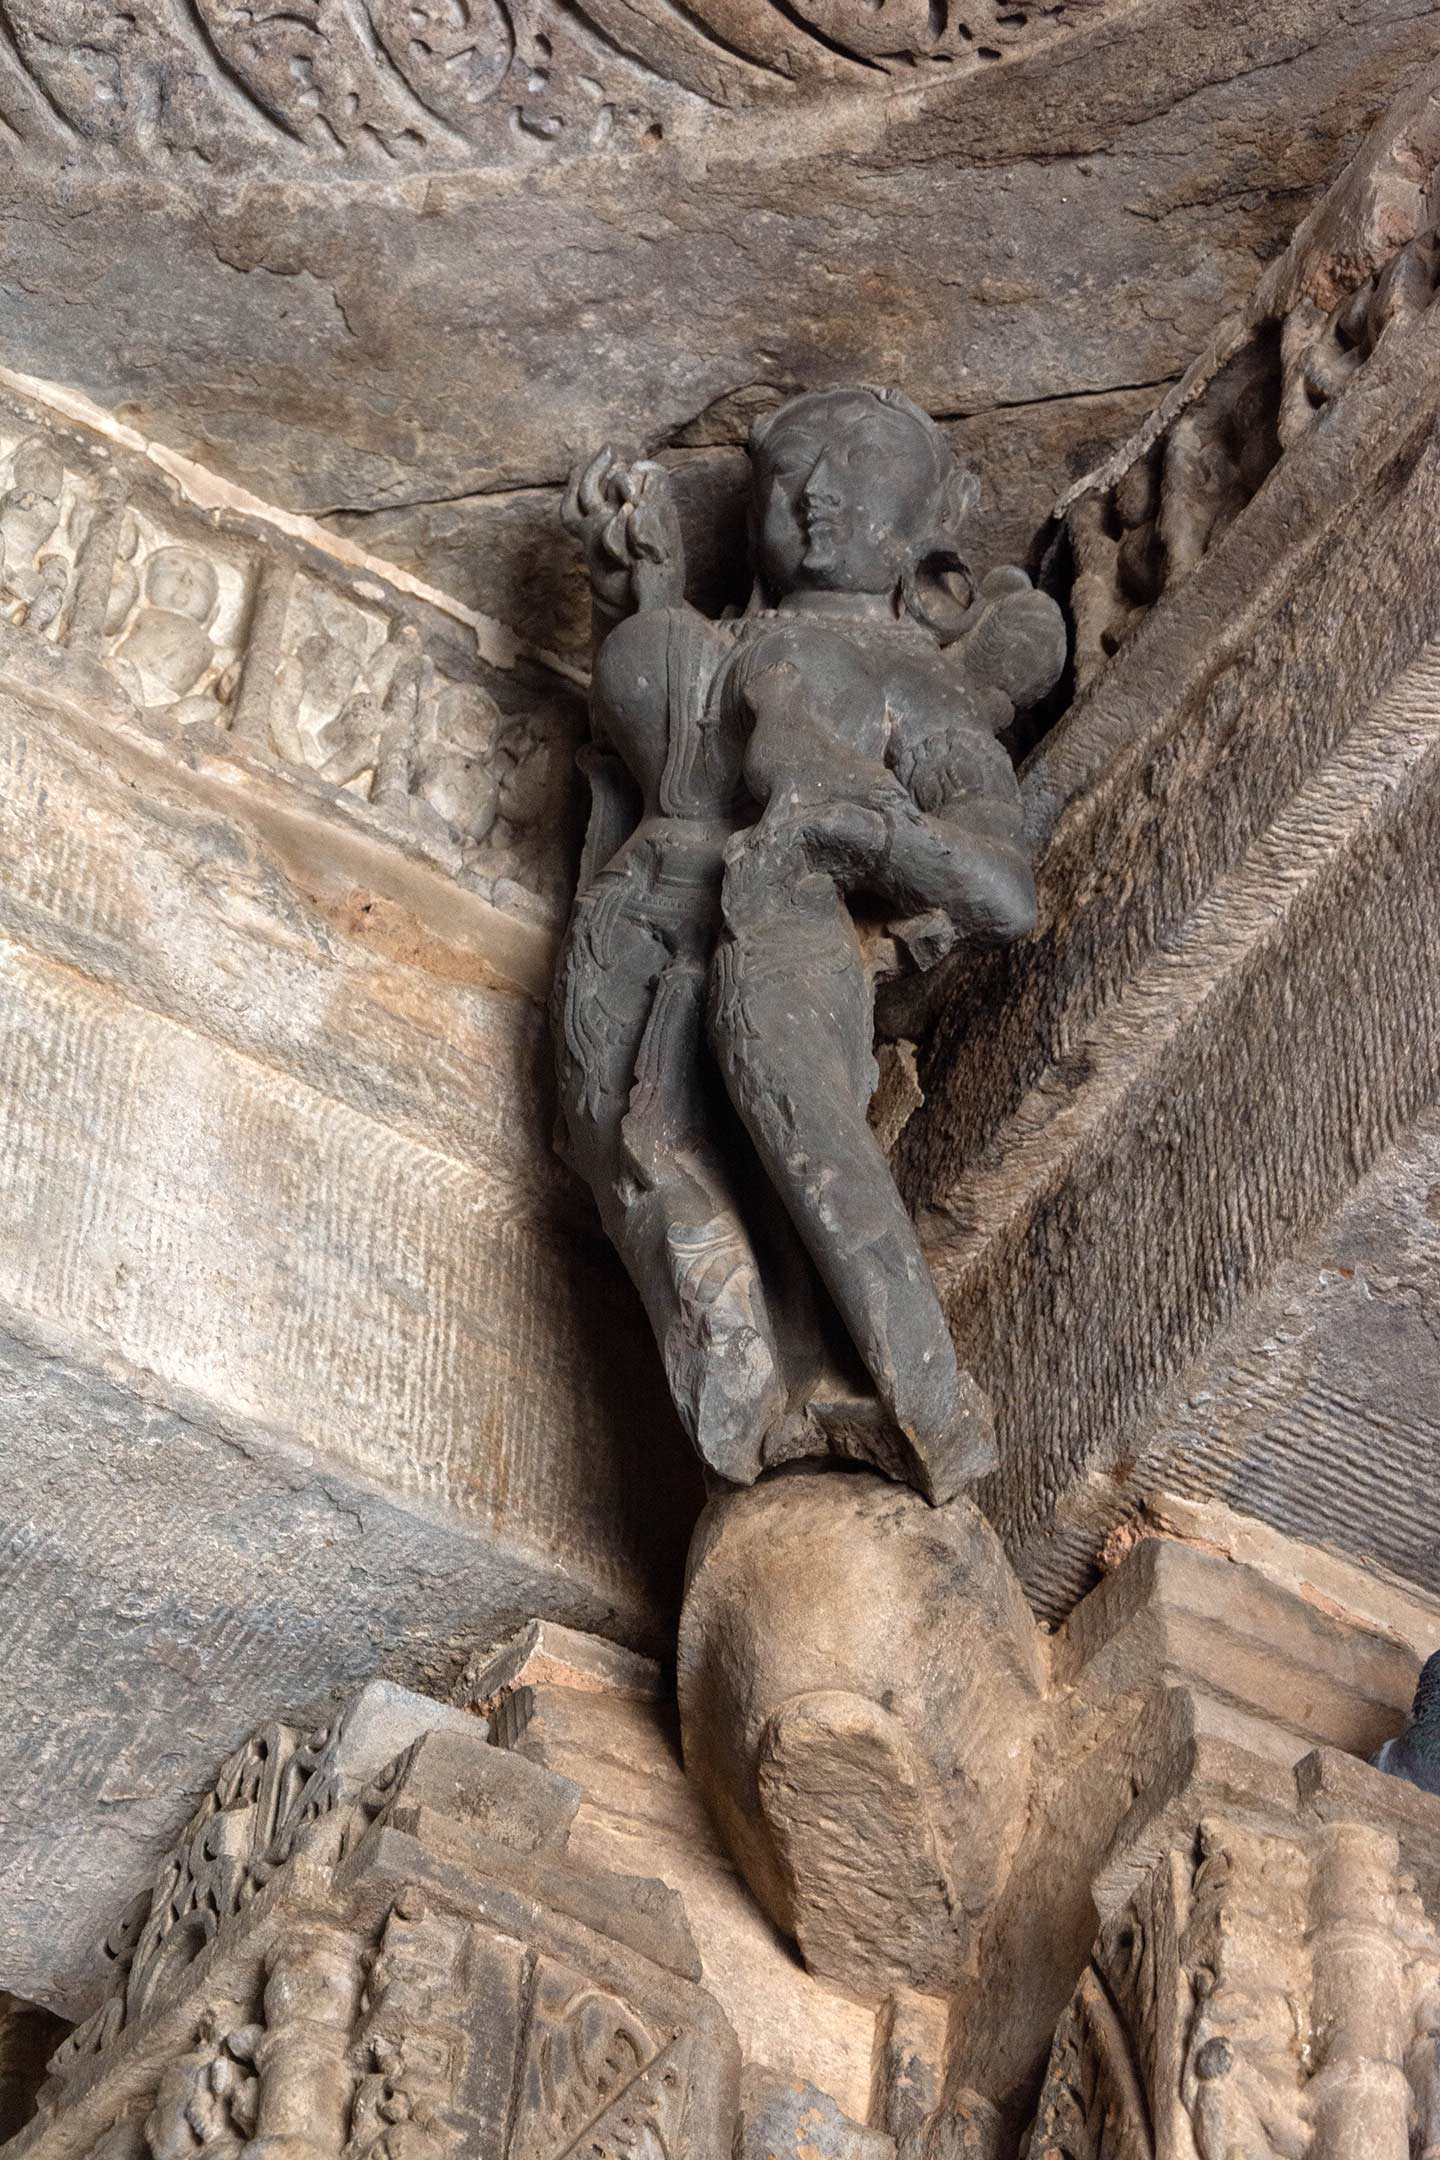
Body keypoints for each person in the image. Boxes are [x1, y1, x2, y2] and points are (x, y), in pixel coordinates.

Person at [555, 384, 1064, 1494]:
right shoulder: (709, 636)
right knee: (652, 1185)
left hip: (780, 920)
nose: (815, 492)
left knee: (802, 1144)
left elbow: (1001, 887)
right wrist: (636, 595)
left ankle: (917, 1404)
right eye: (788, 475)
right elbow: (659, 752)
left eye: (852, 459)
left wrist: (862, 825)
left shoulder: (916, 684)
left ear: (929, 533)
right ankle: (765, 1396)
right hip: (632, 936)